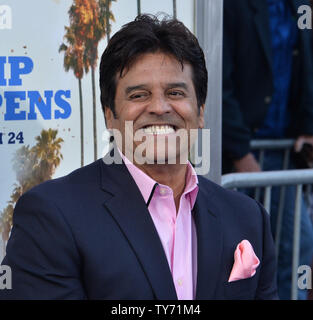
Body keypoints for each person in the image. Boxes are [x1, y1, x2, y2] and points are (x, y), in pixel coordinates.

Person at [0, 14, 278, 300]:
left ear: (200, 112)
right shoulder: (52, 217)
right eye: (139, 95)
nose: (159, 107)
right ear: (110, 115)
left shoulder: (248, 218)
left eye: (175, 92)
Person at [222, 0, 313, 300]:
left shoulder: (300, 8)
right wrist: (240, 153)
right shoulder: (230, 6)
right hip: (236, 161)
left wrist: (307, 126)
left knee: (297, 244)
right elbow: (217, 79)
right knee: (234, 256)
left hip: (283, 155)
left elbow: (304, 67)